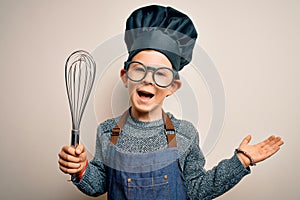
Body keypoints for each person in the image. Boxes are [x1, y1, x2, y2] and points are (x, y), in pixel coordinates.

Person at [58, 5, 284, 200]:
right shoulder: (107, 132)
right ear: (125, 77)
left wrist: (241, 161)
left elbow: (196, 190)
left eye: (161, 74)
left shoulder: (185, 133)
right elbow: (98, 186)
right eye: (139, 70)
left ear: (173, 86)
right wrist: (81, 169)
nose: (148, 79)